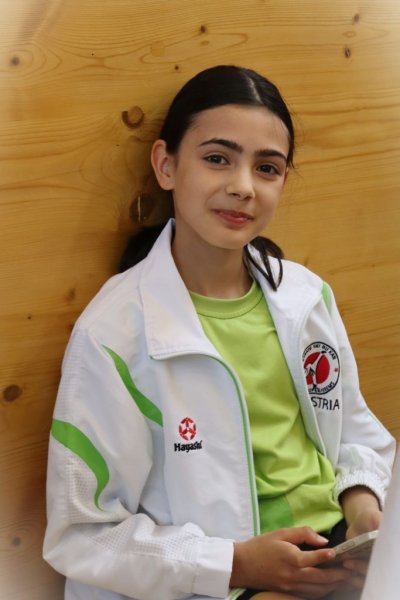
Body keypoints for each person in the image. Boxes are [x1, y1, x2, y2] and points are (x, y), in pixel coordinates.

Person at [43, 65, 395, 600]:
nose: (242, 187)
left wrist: (364, 505)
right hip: (223, 580)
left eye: (267, 168)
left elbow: (354, 432)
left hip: (336, 556)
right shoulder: (112, 333)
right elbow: (82, 535)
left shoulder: (306, 297)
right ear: (165, 165)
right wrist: (235, 564)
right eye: (217, 159)